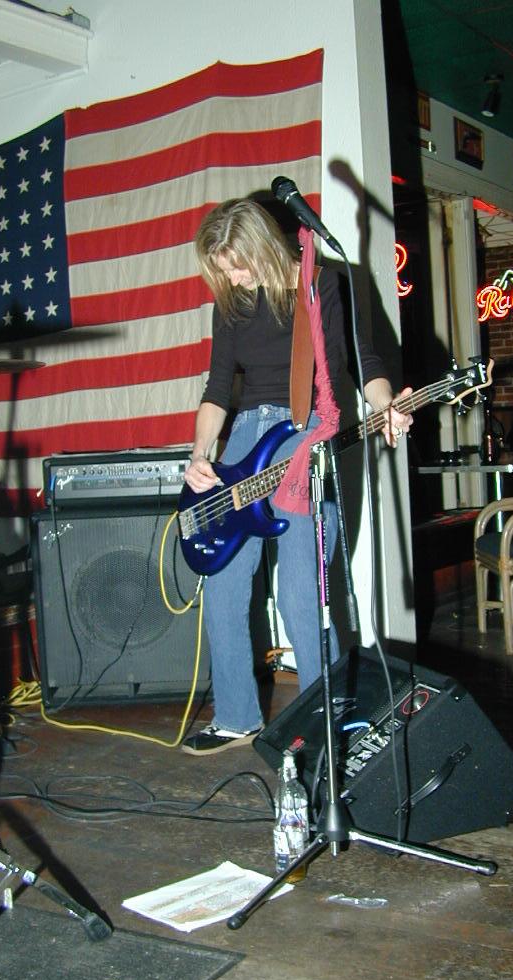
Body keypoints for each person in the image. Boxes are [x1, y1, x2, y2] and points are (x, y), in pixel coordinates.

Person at [181, 197, 412, 754]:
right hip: (245, 442)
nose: (233, 279)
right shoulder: (231, 303)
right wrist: (199, 453)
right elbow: (218, 388)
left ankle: (325, 722)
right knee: (223, 582)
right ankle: (237, 716)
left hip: (304, 433)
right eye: (224, 271)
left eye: (239, 266)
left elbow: (363, 361)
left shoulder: (322, 284)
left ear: (263, 246)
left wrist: (387, 405)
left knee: (299, 594)